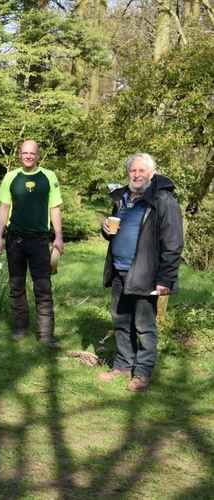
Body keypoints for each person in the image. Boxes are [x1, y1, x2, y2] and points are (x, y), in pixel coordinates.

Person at [98, 153, 183, 392]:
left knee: (145, 326)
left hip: (146, 273)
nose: (136, 175)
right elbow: (115, 229)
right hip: (119, 270)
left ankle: (143, 373)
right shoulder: (122, 198)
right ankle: (123, 365)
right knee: (121, 321)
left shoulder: (163, 200)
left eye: (141, 171)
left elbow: (173, 242)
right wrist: (105, 230)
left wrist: (166, 278)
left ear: (152, 173)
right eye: (132, 171)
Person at [0, 140, 63, 347]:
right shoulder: (10, 177)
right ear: (19, 155)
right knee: (16, 286)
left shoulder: (49, 177)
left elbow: (55, 208)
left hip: (40, 240)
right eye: (25, 153)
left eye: (32, 153)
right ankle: (19, 329)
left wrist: (58, 236)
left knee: (43, 287)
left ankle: (46, 335)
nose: (28, 156)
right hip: (15, 239)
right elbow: (4, 208)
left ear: (38, 155)